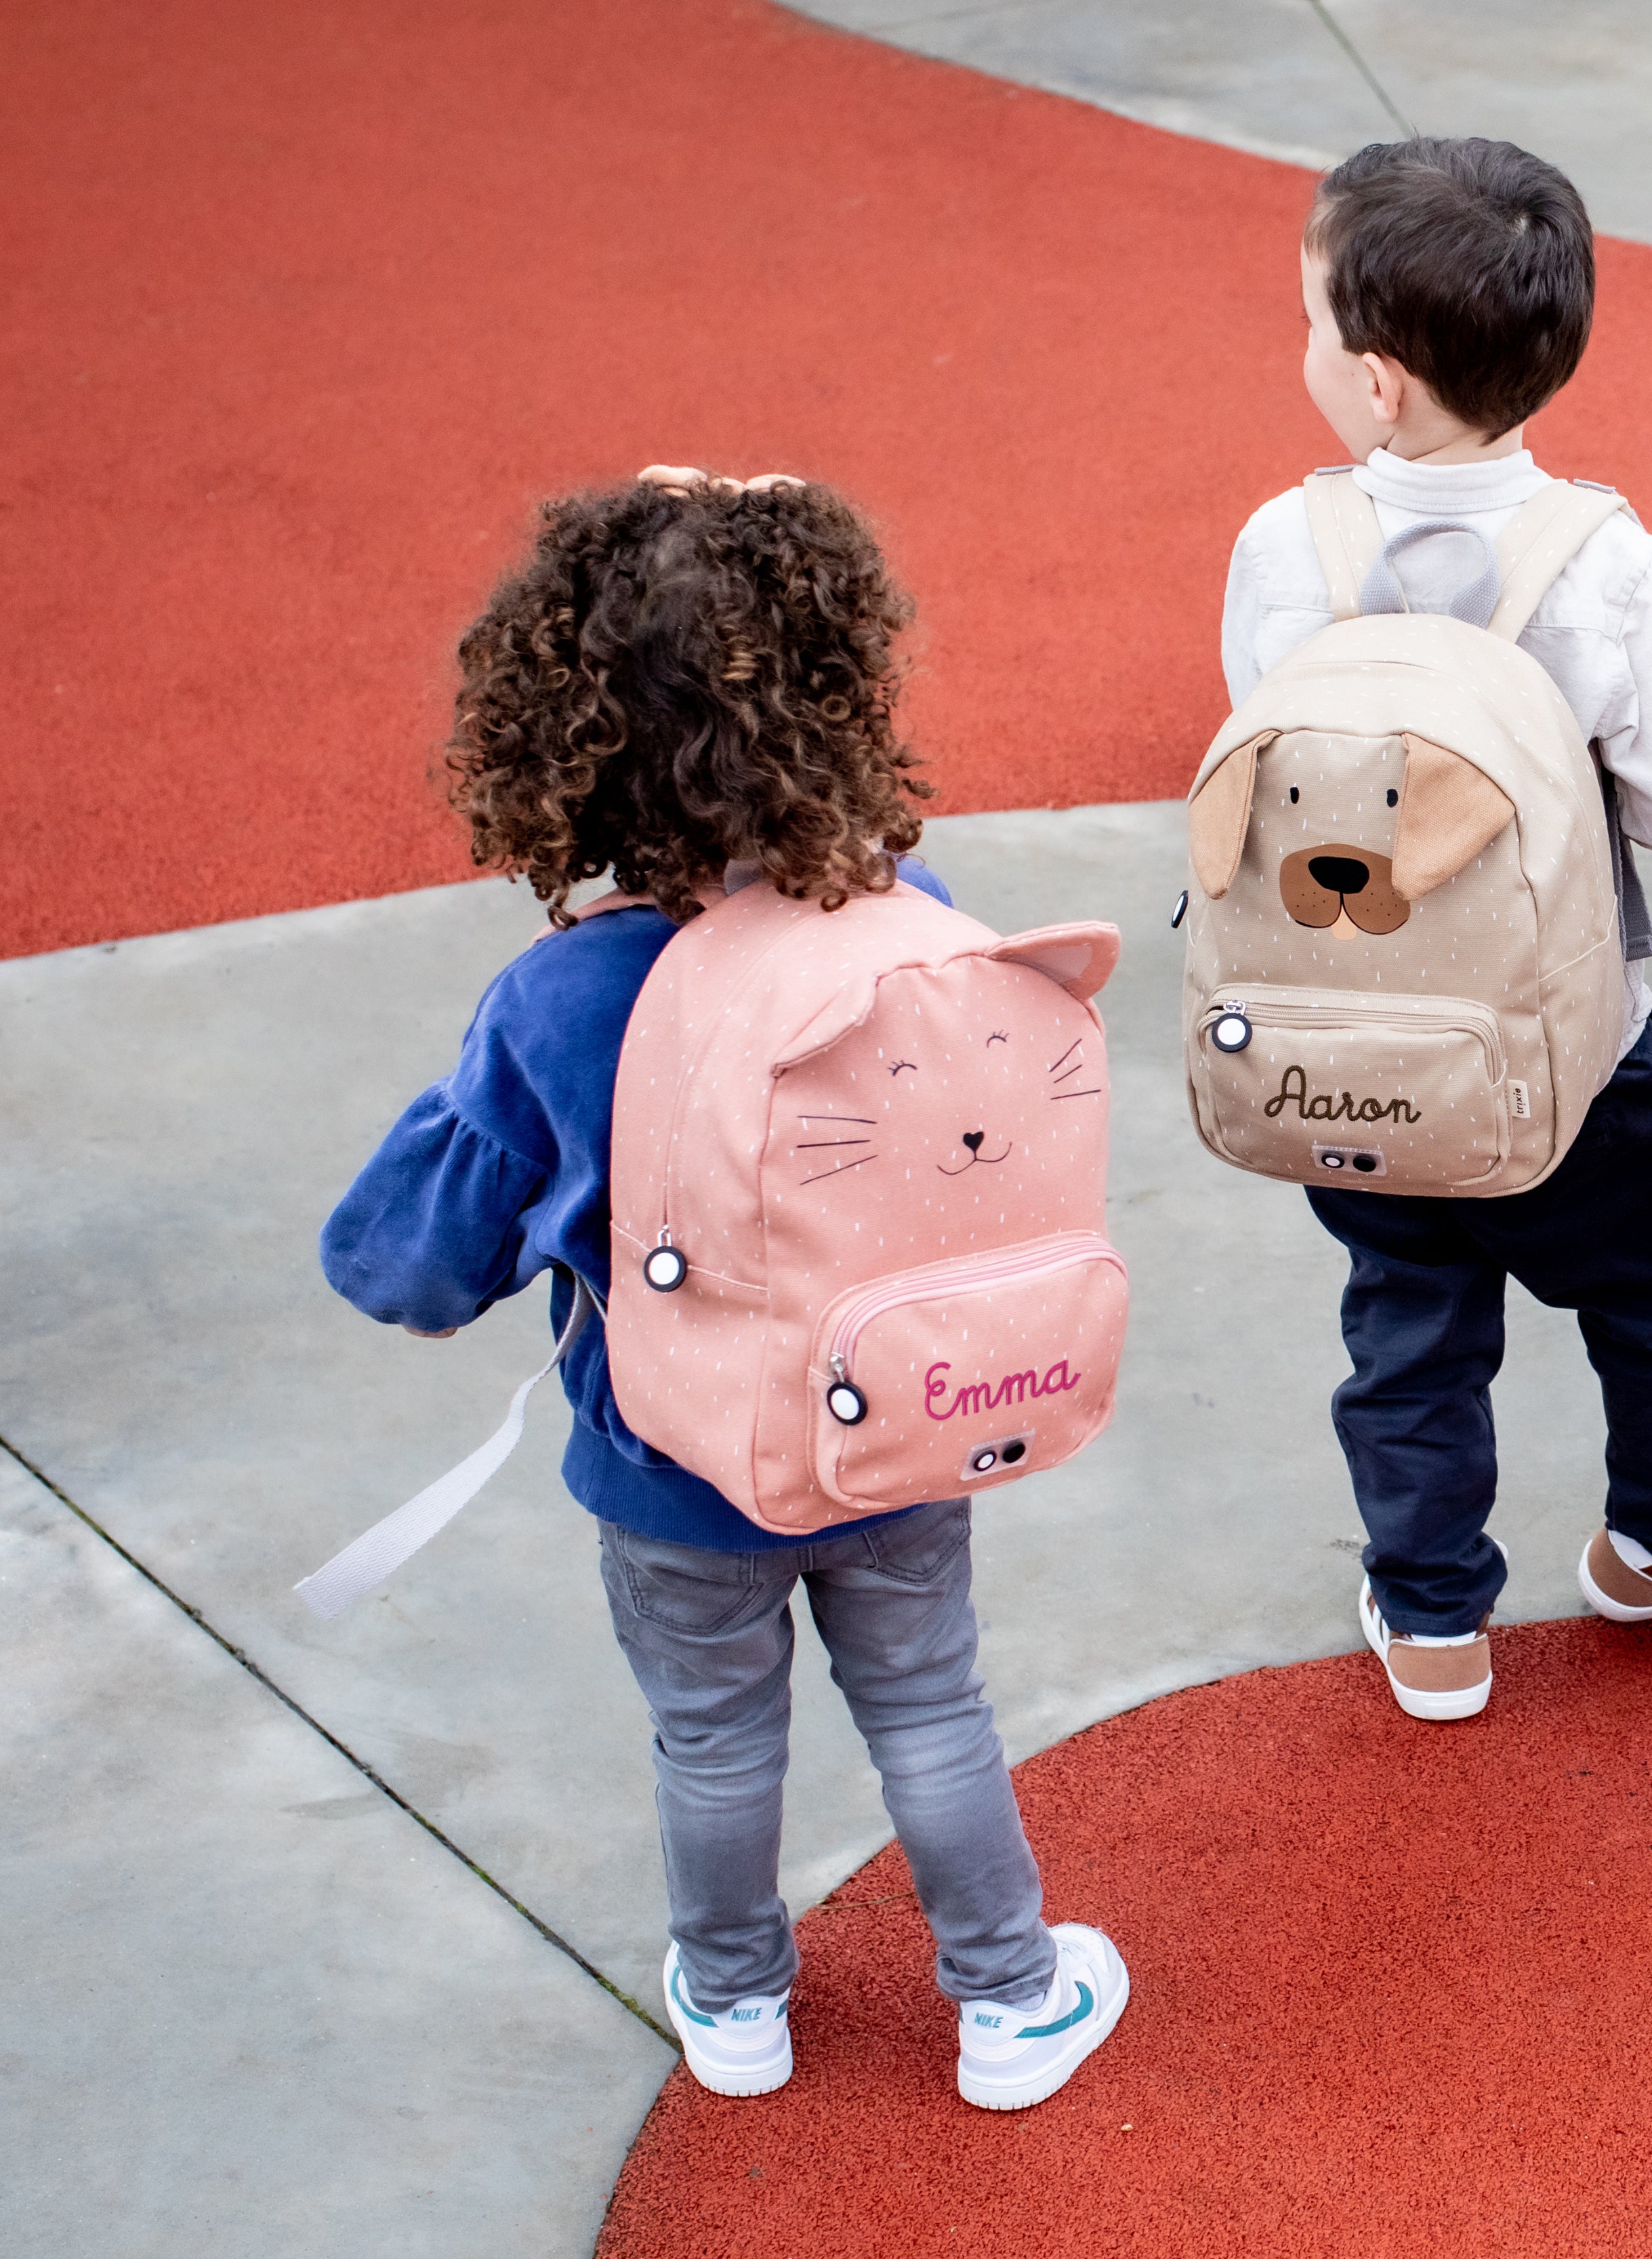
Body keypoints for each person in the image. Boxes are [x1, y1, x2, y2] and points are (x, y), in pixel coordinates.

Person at [321, 470, 1127, 2109]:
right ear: (839, 704)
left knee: (712, 1734)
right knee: (932, 1705)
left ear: (561, 744)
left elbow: (401, 1259)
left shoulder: (558, 998)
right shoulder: (917, 924)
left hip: (669, 1466)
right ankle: (1007, 1993)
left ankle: (740, 1997)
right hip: (898, 1431)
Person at [1220, 137, 1652, 1723]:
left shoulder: (1288, 549)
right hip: (1574, 1047)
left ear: (1374, 384)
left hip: (1349, 1044)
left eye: (1304, 325)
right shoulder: (1604, 564)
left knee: (1408, 1329)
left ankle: (1431, 1620)